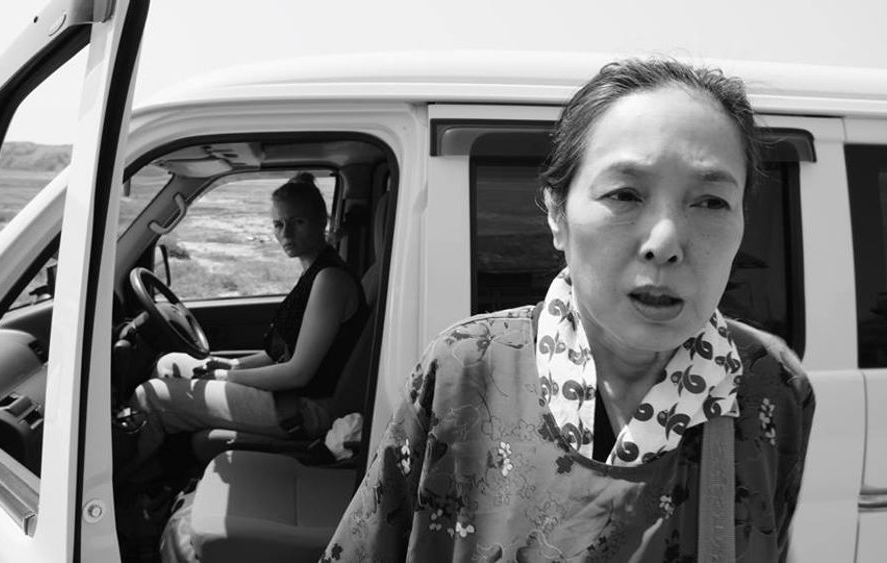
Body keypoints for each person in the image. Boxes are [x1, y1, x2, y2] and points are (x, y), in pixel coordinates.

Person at [321, 58, 815, 562]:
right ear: (557, 213)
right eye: (625, 194)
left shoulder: (769, 385)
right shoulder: (466, 369)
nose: (665, 243)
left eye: (711, 202)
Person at [129, 172, 369, 464]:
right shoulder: (314, 272)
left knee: (151, 396)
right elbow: (281, 353)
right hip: (291, 395)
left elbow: (298, 372)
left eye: (298, 222)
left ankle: (131, 479)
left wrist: (229, 377)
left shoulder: (330, 279)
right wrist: (230, 364)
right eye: (278, 224)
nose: (286, 234)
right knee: (169, 364)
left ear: (322, 221)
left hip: (304, 407)